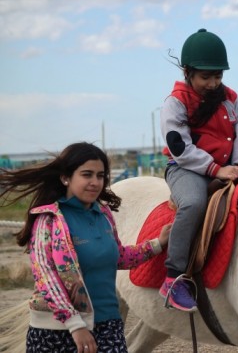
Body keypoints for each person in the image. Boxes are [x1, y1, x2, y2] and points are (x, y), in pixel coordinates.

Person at [0, 142, 170, 353]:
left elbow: (118, 258)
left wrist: (156, 244)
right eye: (87, 175)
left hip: (108, 324)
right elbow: (47, 278)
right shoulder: (49, 220)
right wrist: (75, 326)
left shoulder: (104, 214)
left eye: (100, 176)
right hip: (57, 331)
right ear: (65, 177)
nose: (95, 182)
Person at [159, 28, 238, 312]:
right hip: (186, 168)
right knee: (193, 203)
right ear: (188, 72)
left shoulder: (231, 98)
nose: (213, 83)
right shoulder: (175, 102)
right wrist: (215, 169)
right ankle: (174, 277)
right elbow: (179, 147)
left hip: (228, 166)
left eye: (218, 76)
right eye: (206, 76)